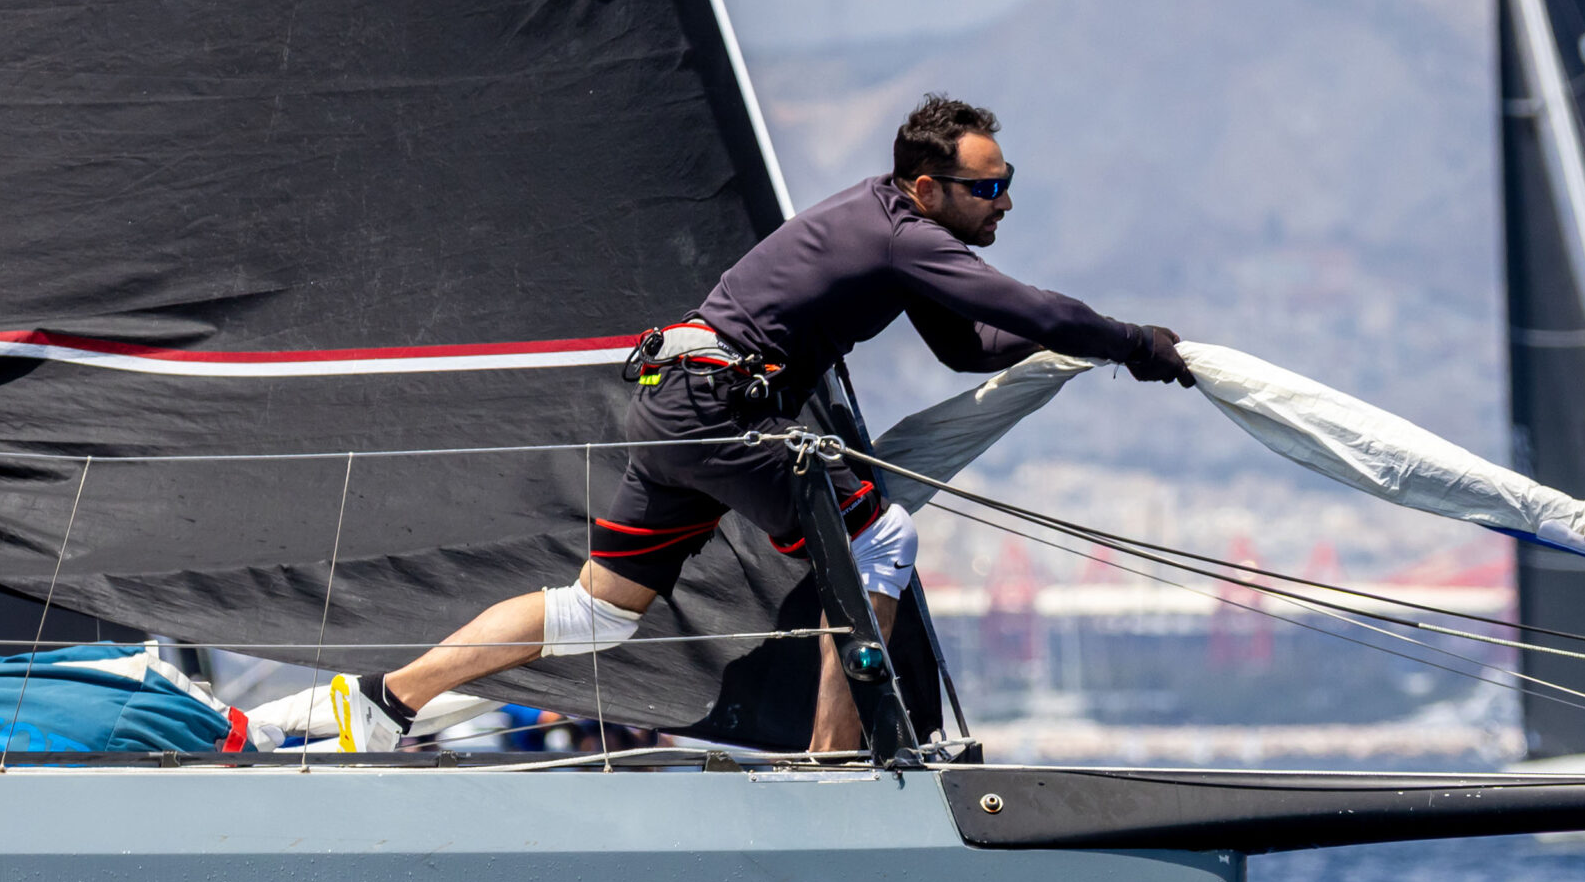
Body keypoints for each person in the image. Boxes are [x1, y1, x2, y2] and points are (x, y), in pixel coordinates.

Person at [345, 94, 1194, 751]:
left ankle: (390, 702)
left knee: (598, 613)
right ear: (929, 188)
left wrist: (1083, 348)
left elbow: (970, 345)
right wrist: (1134, 344)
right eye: (988, 189)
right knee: (881, 541)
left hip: (678, 410)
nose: (1003, 203)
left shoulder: (893, 231)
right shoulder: (903, 237)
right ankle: (832, 765)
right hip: (714, 413)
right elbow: (1028, 306)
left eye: (1008, 184)